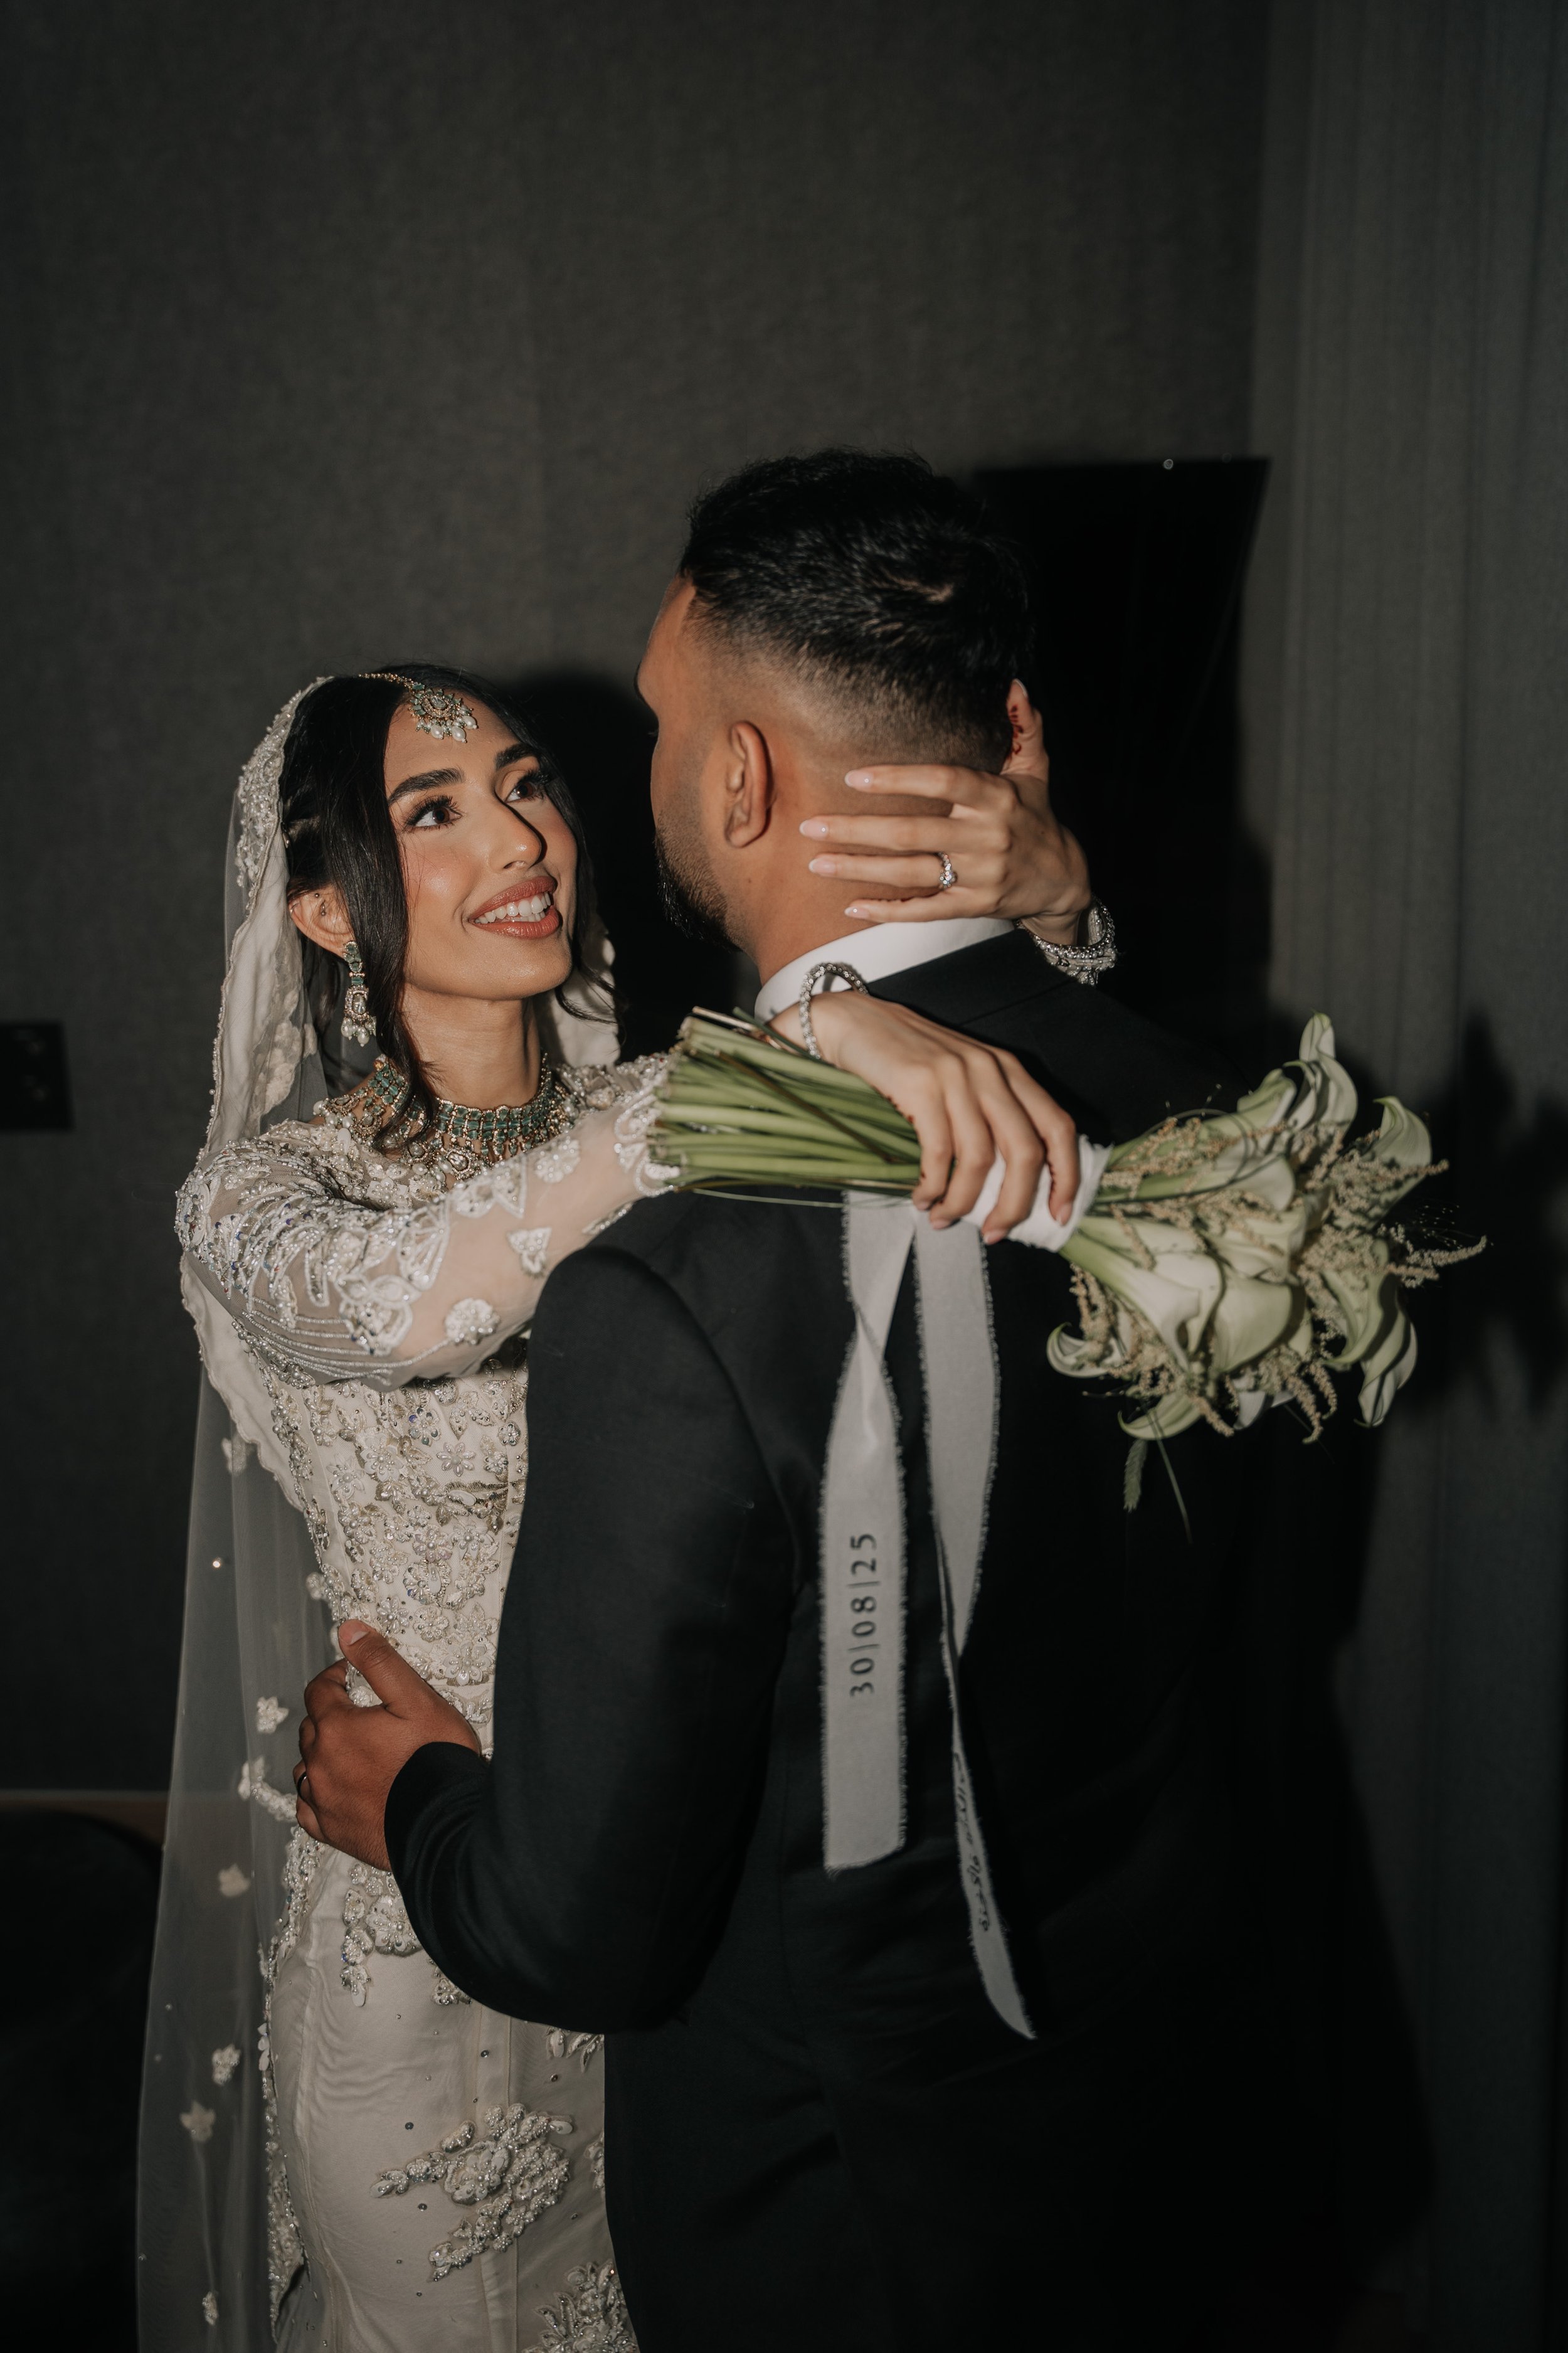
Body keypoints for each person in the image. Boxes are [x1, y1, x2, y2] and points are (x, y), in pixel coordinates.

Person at [297, 452, 1275, 2352]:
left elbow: (576, 1932)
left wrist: (407, 1797)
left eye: (657, 725)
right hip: (1145, 2070)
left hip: (851, 2202)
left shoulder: (671, 1290)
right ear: (1003, 732)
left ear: (737, 780)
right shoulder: (1187, 1099)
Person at [144, 653, 1090, 2353]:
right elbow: (410, 1305)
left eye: (527, 786)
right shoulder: (264, 1196)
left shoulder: (697, 1112)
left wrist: (1055, 924)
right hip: (424, 1919)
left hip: (678, 1889)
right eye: (432, 812)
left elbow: (1006, 1163)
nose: (519, 837)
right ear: (321, 908)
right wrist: (772, 1050)